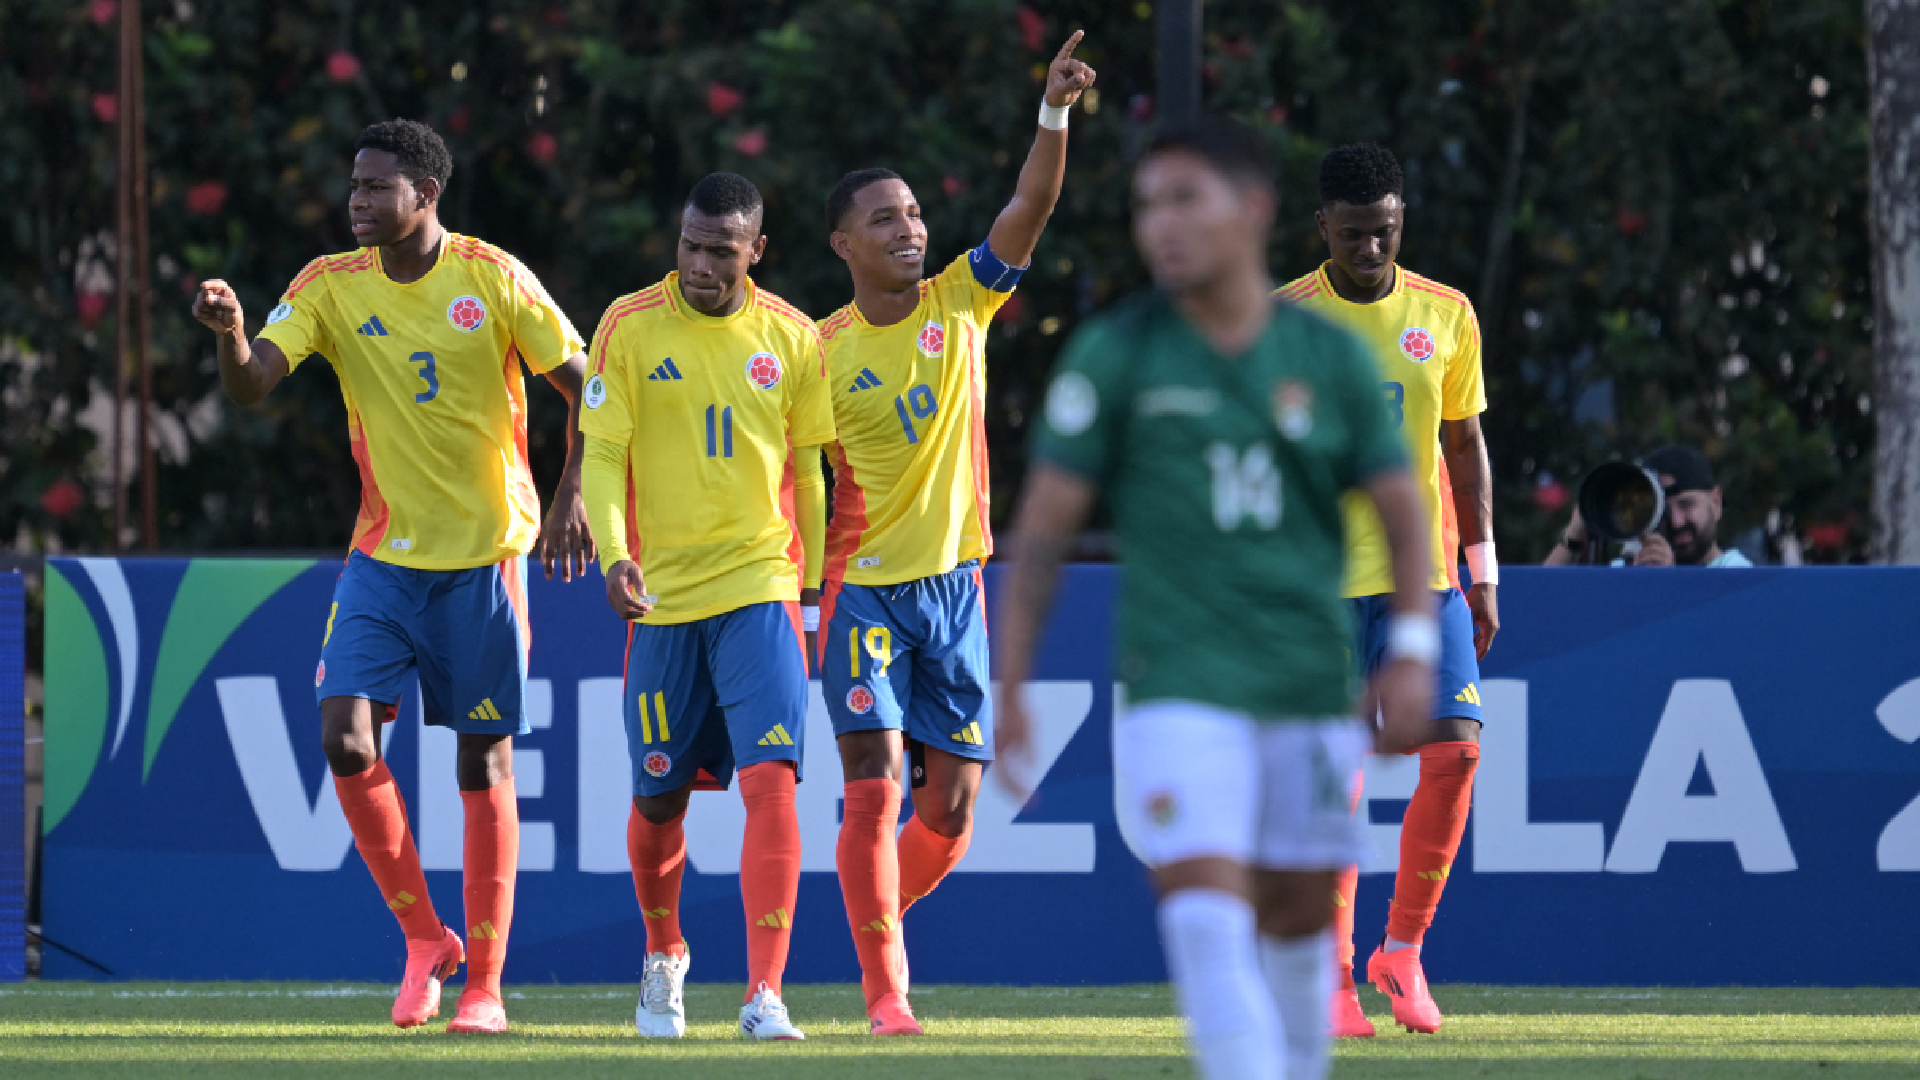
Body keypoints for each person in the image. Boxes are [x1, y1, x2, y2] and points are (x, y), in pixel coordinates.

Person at [995, 116, 1437, 1080]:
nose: (1161, 225)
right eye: (1148, 204)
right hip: (1177, 682)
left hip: (1307, 684)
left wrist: (1411, 644)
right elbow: (1043, 532)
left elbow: (1405, 512)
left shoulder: (1326, 358)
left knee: (1291, 924)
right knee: (1199, 901)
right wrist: (1014, 678)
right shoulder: (1115, 355)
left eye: (1185, 199)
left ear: (1253, 211)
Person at [190, 119, 594, 1034]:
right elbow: (253, 384)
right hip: (381, 556)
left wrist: (572, 492)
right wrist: (232, 332)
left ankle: (485, 985)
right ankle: (426, 941)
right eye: (354, 186)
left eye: (376, 187)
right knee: (345, 741)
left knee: (481, 759)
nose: (357, 201)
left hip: (486, 557)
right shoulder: (329, 286)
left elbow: (588, 389)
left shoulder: (492, 275)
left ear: (426, 193)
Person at [811, 31, 1096, 1037]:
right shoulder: (816, 355)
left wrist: (1052, 110)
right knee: (874, 781)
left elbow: (1033, 207)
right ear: (841, 243)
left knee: (951, 816)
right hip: (863, 595)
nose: (910, 229)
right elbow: (783, 480)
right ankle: (887, 990)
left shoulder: (963, 301)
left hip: (957, 592)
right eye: (884, 219)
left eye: (916, 213)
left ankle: (869, 910)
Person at [579, 172, 835, 1042]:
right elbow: (603, 460)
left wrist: (808, 596)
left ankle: (765, 993)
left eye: (720, 250)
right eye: (689, 244)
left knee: (772, 785)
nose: (699, 263)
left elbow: (809, 473)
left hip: (760, 589)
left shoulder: (794, 337)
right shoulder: (629, 323)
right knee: (660, 800)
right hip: (663, 600)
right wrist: (616, 559)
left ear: (756, 251)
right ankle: (663, 954)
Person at [1277, 142, 1495, 1036]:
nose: (1372, 251)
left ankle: (1399, 950)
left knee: (1457, 753)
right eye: (1356, 235)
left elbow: (1465, 445)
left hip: (1425, 579)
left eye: (1387, 233)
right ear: (1323, 226)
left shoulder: (1444, 313)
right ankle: (1329, 980)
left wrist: (1483, 566)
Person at [1544, 445, 1754, 567]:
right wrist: (1573, 538)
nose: (1676, 521)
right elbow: (1536, 603)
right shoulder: (1629, 570)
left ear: (1715, 503)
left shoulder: (1737, 573)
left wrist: (1663, 585)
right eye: (1660, 509)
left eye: (1686, 505)